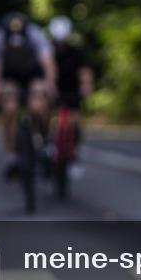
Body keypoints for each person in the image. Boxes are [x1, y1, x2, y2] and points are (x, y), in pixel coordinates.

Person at [0, 11, 57, 179]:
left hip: (33, 74)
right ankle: (12, 156)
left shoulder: (35, 34)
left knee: (38, 104)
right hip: (10, 76)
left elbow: (48, 62)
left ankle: (45, 142)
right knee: (9, 109)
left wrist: (50, 84)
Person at [48, 15, 94, 178]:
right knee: (46, 115)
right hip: (51, 91)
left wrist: (86, 88)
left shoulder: (76, 51)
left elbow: (84, 72)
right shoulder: (46, 50)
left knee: (74, 121)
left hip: (72, 91)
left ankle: (73, 153)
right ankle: (47, 144)